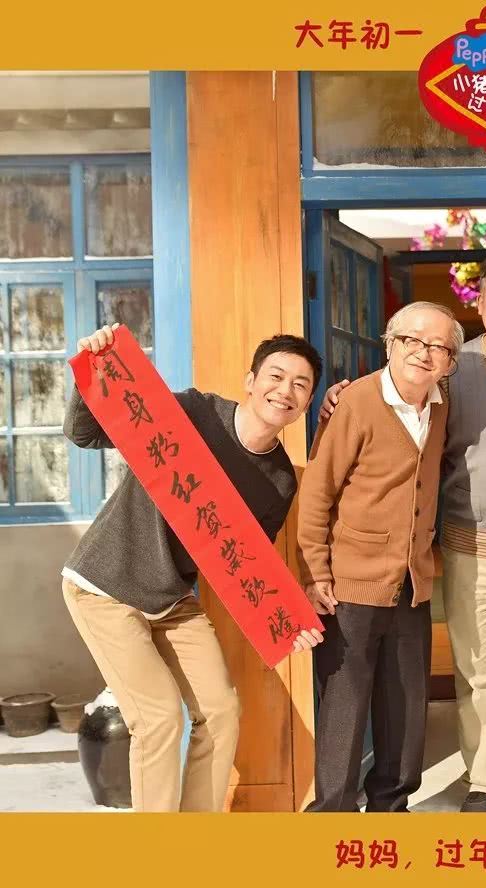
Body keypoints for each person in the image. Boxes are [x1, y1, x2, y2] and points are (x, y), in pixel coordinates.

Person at [318, 250, 486, 814]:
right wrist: (339, 399)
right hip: (465, 544)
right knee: (475, 672)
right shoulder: (452, 364)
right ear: (480, 303)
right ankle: (484, 779)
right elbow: (400, 402)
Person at [62, 323, 324, 812]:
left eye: (300, 384)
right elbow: (84, 433)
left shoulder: (280, 481)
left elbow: (246, 568)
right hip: (105, 585)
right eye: (275, 376)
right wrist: (91, 370)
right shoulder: (194, 413)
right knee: (159, 718)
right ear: (250, 381)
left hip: (172, 599)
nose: (285, 390)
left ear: (308, 401)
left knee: (221, 711)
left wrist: (289, 618)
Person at [297, 302, 462, 813]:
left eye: (437, 346)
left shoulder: (441, 405)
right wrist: (315, 573)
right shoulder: (355, 402)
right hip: (350, 582)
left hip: (411, 581)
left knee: (406, 704)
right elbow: (318, 492)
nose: (423, 353)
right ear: (390, 344)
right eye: (412, 340)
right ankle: (333, 814)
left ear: (450, 362)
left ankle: (391, 807)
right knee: (344, 704)